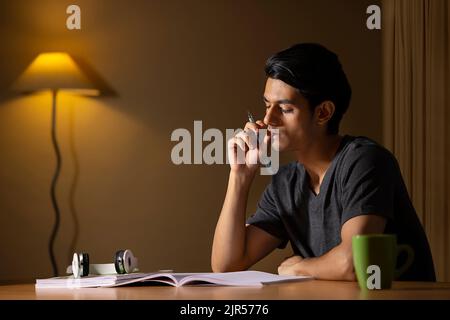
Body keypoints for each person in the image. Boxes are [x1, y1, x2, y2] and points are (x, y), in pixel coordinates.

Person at [211, 43, 436, 281]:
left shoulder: (365, 161)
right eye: (267, 106)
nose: (268, 119)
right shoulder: (285, 183)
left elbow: (355, 263)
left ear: (323, 113)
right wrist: (240, 176)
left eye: (284, 109)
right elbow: (226, 266)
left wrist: (299, 268)